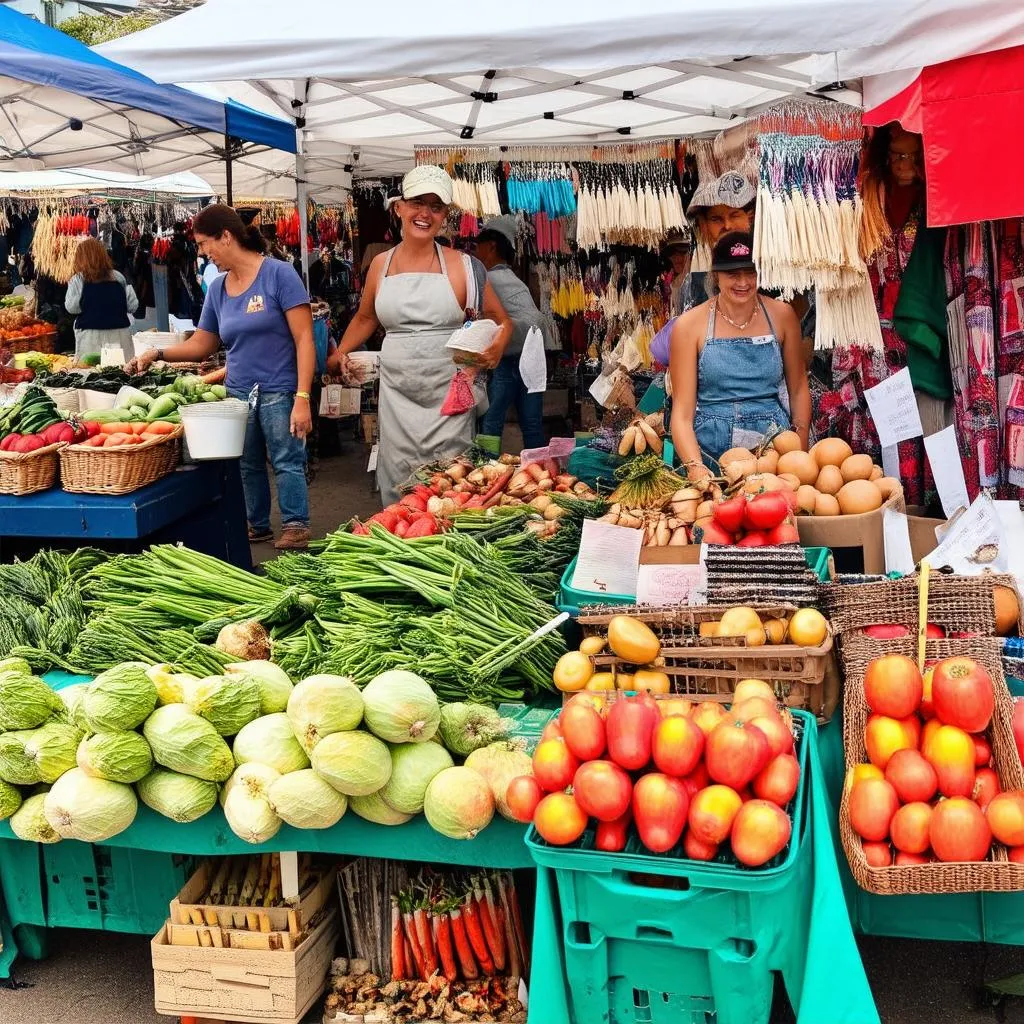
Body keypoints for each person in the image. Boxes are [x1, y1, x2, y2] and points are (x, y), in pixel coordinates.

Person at [126, 204, 315, 551]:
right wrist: (158, 353)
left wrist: (303, 397)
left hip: (279, 389)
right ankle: (257, 525)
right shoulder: (218, 289)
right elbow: (203, 343)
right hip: (239, 391)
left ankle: (296, 525)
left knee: (287, 459)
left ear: (225, 237)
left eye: (203, 243)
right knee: (247, 463)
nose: (202, 252)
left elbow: (304, 338)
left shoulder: (279, 275)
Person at [328, 166, 511, 505]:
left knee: (450, 487)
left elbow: (502, 322)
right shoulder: (380, 266)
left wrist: (497, 346)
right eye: (416, 202)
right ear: (398, 207)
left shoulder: (465, 266)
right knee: (400, 485)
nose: (425, 213)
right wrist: (340, 352)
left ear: (445, 215)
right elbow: (366, 317)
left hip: (449, 399)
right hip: (397, 398)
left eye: (436, 206)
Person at [669, 232, 810, 479]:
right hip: (710, 452)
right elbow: (681, 413)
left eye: (750, 272)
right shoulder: (689, 326)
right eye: (732, 274)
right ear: (715, 275)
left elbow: (798, 389)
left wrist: (798, 446)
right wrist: (696, 469)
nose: (743, 282)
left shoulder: (782, 315)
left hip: (773, 451)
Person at [474, 215, 547, 451]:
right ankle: (539, 474)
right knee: (532, 423)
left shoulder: (489, 278)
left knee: (492, 420)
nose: (476, 253)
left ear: (491, 246)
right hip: (534, 357)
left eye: (478, 247)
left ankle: (486, 468)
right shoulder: (514, 279)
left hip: (509, 359)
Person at [64, 238, 139, 363]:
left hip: (90, 337)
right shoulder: (118, 277)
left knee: (91, 374)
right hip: (120, 335)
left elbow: (72, 308)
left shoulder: (78, 279)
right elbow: (132, 306)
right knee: (122, 371)